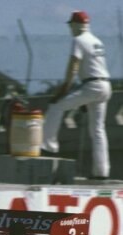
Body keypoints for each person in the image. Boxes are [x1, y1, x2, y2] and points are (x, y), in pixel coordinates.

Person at [41, 10, 111, 180]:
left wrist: (64, 89)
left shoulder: (78, 41)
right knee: (98, 130)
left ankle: (48, 146)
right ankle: (101, 172)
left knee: (56, 106)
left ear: (75, 25)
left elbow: (73, 66)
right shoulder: (97, 41)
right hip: (105, 85)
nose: (70, 29)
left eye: (71, 25)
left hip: (92, 85)